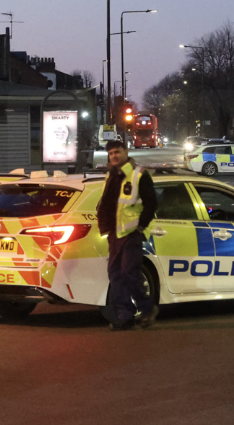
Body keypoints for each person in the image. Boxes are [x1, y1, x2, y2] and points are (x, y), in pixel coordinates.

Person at [97, 140, 159, 331]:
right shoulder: (111, 175)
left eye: (117, 152)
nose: (114, 156)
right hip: (115, 233)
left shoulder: (139, 174)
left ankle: (147, 309)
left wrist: (140, 227)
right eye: (111, 153)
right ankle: (124, 316)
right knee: (115, 274)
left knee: (129, 273)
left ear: (126, 152)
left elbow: (151, 203)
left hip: (131, 233)